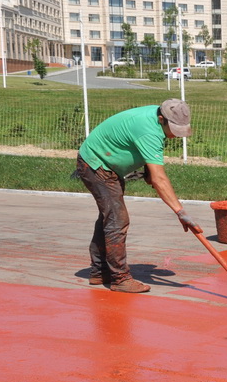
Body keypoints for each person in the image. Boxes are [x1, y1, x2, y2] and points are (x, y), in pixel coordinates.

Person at [74, 99, 201, 293]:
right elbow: (159, 179)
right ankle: (119, 278)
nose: (175, 136)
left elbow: (146, 159)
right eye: (173, 129)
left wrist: (147, 171)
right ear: (161, 119)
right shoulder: (148, 130)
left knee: (109, 218)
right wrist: (180, 212)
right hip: (96, 164)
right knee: (117, 220)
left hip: (107, 165)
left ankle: (99, 272)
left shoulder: (154, 120)